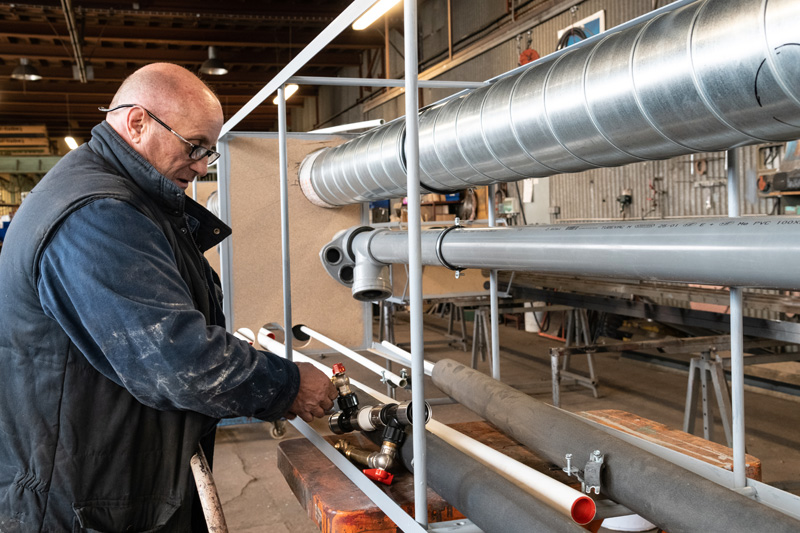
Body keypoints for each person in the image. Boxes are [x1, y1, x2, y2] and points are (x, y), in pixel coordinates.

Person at [0, 63, 337, 532]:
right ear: (137, 123)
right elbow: (180, 361)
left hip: (109, 480)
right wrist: (287, 384)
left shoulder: (124, 199)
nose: (201, 166)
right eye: (194, 146)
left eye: (208, 153)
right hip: (87, 501)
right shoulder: (97, 213)